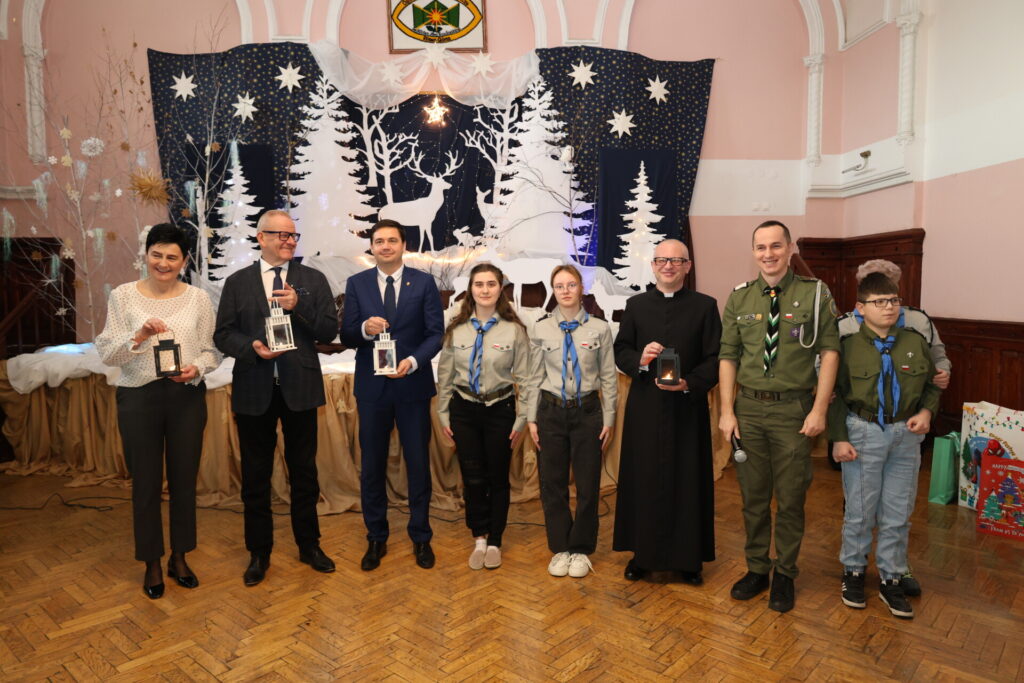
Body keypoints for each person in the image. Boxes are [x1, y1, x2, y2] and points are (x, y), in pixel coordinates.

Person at [718, 220, 840, 613]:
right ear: (753, 252)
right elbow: (728, 357)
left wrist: (820, 409)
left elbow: (830, 352)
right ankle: (757, 567)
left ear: (789, 249)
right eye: (760, 247)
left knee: (790, 497)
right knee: (753, 497)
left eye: (775, 246)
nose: (767, 254)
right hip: (749, 410)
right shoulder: (740, 298)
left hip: (793, 410)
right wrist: (727, 411)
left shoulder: (815, 293)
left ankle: (785, 572)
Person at [214, 209, 339, 586]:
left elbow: (328, 330)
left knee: (304, 473)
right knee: (255, 476)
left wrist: (297, 306)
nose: (289, 241)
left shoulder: (312, 280)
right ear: (261, 238)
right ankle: (259, 552)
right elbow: (223, 335)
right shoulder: (237, 282)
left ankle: (309, 545)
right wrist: (251, 347)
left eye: (293, 235)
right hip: (255, 387)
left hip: (299, 387)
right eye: (281, 235)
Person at [95, 223, 221, 599]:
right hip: (138, 397)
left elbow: (211, 350)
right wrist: (140, 335)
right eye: (156, 255)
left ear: (184, 261)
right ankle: (151, 561)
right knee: (146, 483)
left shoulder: (198, 298)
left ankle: (179, 557)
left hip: (185, 397)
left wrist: (197, 368)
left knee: (184, 480)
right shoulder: (123, 296)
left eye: (171, 257)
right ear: (146, 255)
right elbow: (107, 352)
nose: (163, 263)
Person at [836, 258, 951, 597]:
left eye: (893, 297)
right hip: (864, 429)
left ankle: (894, 572)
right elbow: (833, 390)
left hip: (906, 432)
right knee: (860, 509)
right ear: (861, 302)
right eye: (879, 298)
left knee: (898, 509)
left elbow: (934, 372)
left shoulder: (916, 330)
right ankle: (853, 569)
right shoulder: (846, 334)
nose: (888, 305)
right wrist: (838, 437)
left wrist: (928, 409)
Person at [612, 240, 721, 585]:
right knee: (643, 480)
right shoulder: (636, 305)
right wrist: (641, 360)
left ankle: (689, 561)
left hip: (687, 409)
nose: (668, 266)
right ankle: (642, 557)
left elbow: (715, 358)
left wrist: (689, 382)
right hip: (645, 407)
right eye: (662, 260)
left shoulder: (705, 306)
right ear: (653, 265)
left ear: (688, 266)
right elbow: (621, 350)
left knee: (688, 481)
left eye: (676, 260)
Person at [340, 219, 444, 571]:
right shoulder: (357, 283)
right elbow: (347, 334)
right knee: (372, 465)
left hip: (412, 386)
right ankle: (376, 536)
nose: (385, 246)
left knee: (418, 464)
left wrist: (413, 362)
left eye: (392, 240)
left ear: (403, 245)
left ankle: (421, 536)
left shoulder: (424, 282)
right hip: (373, 389)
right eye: (379, 241)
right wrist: (364, 330)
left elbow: (435, 333)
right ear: (372, 247)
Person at [437, 263, 531, 570]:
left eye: (491, 284)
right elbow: (445, 374)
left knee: (497, 477)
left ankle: (495, 541)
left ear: (500, 289)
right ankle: (479, 536)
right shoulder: (457, 329)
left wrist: (521, 419)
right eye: (479, 284)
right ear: (471, 289)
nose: (485, 290)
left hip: (500, 410)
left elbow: (526, 379)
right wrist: (443, 413)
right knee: (473, 477)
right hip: (464, 410)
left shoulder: (514, 330)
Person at [527, 264, 618, 579]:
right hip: (550, 412)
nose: (565, 291)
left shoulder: (599, 329)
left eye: (571, 285)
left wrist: (609, 417)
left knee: (588, 483)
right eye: (559, 286)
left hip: (587, 413)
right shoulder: (541, 329)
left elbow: (609, 377)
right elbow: (533, 377)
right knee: (552, 484)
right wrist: (531, 418)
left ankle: (581, 548)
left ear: (582, 289)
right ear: (553, 291)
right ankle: (561, 547)